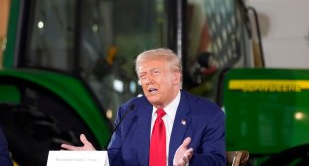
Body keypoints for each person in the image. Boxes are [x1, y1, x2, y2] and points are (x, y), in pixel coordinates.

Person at [61, 48, 226, 166]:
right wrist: (96, 159)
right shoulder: (129, 111)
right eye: (143, 75)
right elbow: (117, 158)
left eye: (155, 72)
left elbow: (217, 160)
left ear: (175, 78)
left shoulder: (208, 113)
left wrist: (188, 161)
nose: (147, 80)